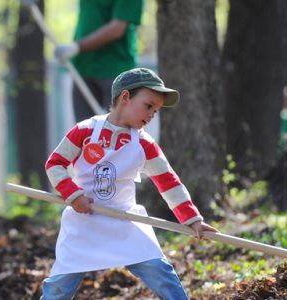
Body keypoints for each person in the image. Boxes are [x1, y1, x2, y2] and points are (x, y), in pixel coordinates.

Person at [42, 68, 218, 299]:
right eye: (148, 106)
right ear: (125, 97)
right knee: (59, 287)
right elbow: (55, 164)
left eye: (156, 110)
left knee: (162, 275)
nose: (152, 114)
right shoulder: (84, 131)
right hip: (83, 220)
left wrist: (193, 220)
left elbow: (168, 182)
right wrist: (74, 196)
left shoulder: (145, 143)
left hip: (125, 221)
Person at [55, 0, 144, 121]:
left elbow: (117, 28)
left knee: (117, 131)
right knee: (85, 132)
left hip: (116, 70)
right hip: (84, 67)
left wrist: (77, 47)